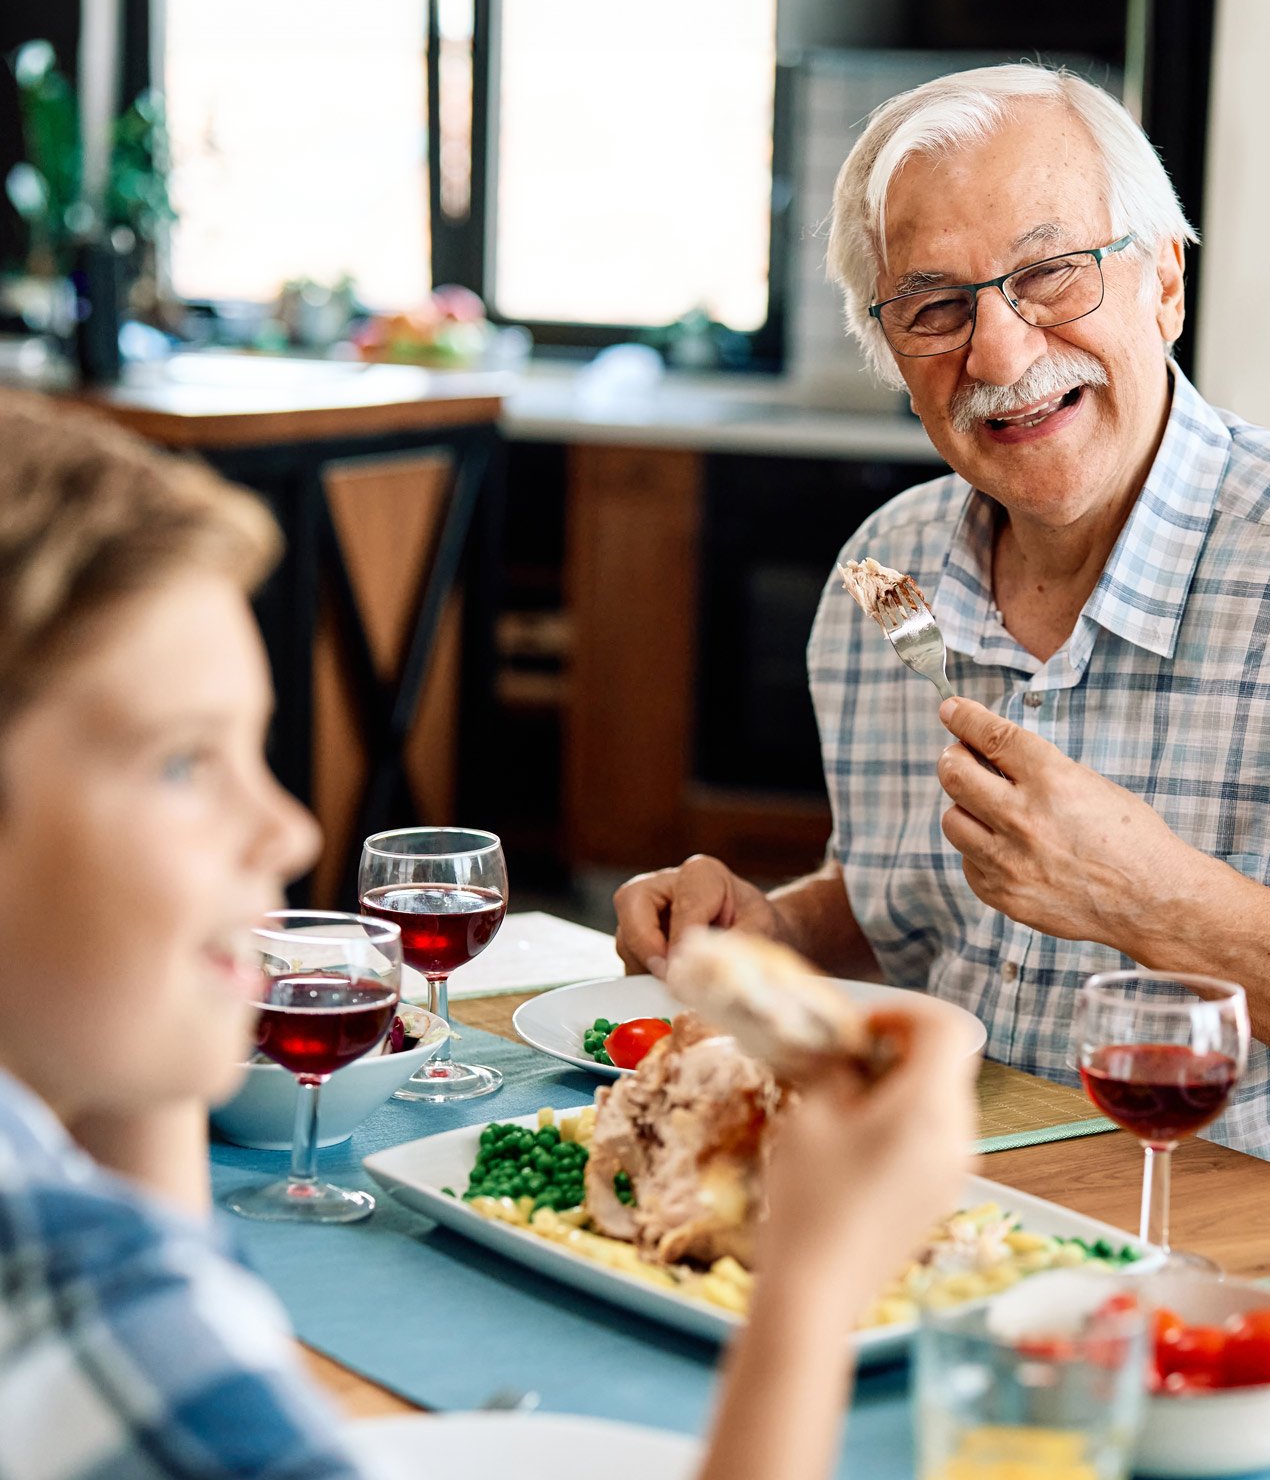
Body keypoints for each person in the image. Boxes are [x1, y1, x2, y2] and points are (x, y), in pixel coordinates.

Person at [615, 63, 1270, 1191]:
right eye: (933, 305)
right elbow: (910, 916)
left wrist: (1148, 896)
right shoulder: (883, 577)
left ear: (1163, 281)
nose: (1000, 354)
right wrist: (774, 929)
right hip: (975, 1217)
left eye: (1051, 274)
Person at [0, 406, 976, 1480]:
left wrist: (148, 1037)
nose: (291, 829)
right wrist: (810, 1288)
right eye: (184, 762)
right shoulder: (79, 1290)